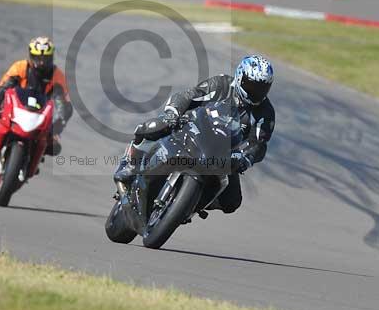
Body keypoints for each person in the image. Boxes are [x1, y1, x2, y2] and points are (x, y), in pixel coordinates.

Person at [113, 55, 276, 214]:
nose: (256, 92)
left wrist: (245, 158)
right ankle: (130, 166)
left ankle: (192, 203)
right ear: (240, 77)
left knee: (232, 201)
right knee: (154, 127)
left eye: (262, 88)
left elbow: (258, 144)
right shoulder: (221, 84)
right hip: (193, 129)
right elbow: (189, 96)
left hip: (224, 154)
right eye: (251, 85)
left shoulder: (265, 113)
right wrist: (173, 115)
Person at [0, 36, 73, 168]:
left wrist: (57, 128)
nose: (42, 63)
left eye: (45, 58)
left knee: (54, 147)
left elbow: (64, 105)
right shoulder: (20, 67)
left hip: (39, 116)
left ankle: (34, 161)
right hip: (13, 109)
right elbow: (3, 86)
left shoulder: (57, 76)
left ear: (51, 57)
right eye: (38, 58)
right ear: (31, 55)